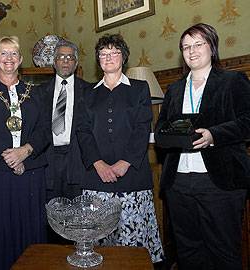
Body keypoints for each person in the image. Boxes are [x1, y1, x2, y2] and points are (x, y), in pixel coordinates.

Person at [154, 23, 250, 270]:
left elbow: (247, 121)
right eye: (186, 46)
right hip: (178, 182)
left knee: (224, 251)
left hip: (220, 181)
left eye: (198, 44)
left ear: (212, 47)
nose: (192, 51)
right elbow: (162, 127)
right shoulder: (174, 89)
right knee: (188, 250)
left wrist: (213, 134)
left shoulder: (232, 80)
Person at [76, 33, 164, 263]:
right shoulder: (87, 93)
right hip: (96, 179)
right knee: (99, 250)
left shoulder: (139, 88)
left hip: (132, 177)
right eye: (103, 54)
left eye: (114, 52)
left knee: (132, 249)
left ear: (123, 57)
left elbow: (142, 127)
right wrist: (99, 164)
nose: (109, 57)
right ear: (98, 59)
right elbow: (82, 131)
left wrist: (124, 163)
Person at [0, 36, 49, 269]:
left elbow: (45, 129)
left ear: (20, 59)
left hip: (30, 171)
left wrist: (25, 151)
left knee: (27, 228)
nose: (8, 58)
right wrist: (8, 155)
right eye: (3, 53)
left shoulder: (36, 92)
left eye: (13, 53)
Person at [38, 39, 91, 202]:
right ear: (54, 62)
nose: (65, 61)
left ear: (76, 64)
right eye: (61, 57)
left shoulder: (89, 91)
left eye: (70, 57)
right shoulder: (38, 92)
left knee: (78, 216)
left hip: (77, 159)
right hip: (48, 159)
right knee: (49, 216)